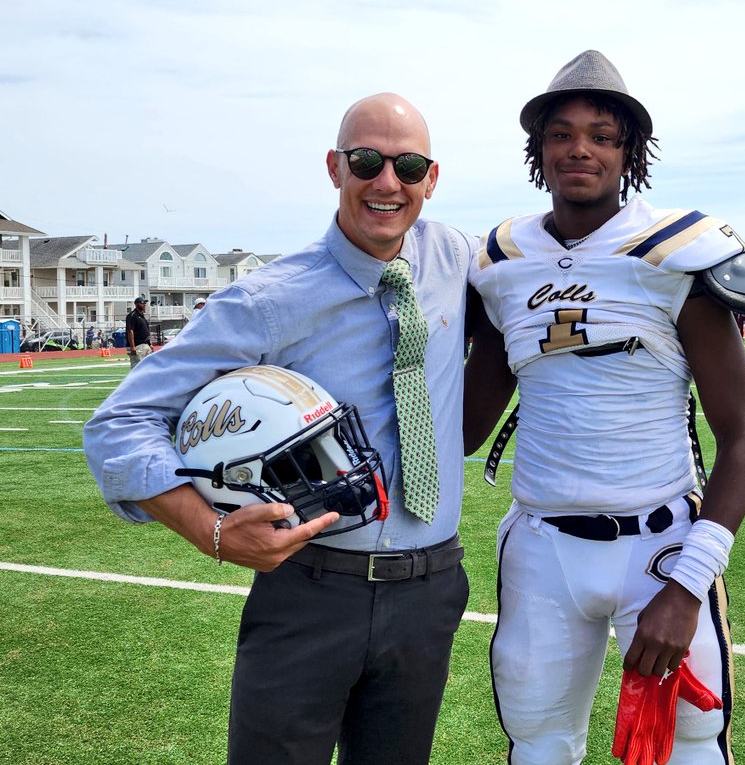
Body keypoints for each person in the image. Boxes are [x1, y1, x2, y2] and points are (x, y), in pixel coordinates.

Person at [84, 93, 477, 764]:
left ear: (431, 178)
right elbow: (118, 425)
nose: (388, 182)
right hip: (311, 590)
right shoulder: (269, 300)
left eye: (408, 165)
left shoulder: (458, 256)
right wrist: (207, 529)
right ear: (334, 168)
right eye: (366, 161)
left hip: (429, 590)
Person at [464, 50, 745, 764]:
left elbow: (744, 440)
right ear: (537, 149)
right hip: (540, 545)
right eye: (562, 133)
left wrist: (688, 586)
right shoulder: (500, 262)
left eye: (602, 135)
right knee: (536, 742)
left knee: (690, 744)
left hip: (657, 547)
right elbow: (467, 428)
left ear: (630, 151)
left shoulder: (674, 253)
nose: (580, 149)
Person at [125, 296, 152, 368]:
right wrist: (132, 346)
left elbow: (146, 331)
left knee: (148, 367)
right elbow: (130, 331)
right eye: (142, 303)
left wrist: (150, 344)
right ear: (136, 304)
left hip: (145, 344)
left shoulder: (142, 316)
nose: (144, 304)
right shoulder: (132, 315)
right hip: (138, 346)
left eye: (145, 303)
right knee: (137, 367)